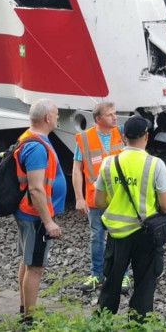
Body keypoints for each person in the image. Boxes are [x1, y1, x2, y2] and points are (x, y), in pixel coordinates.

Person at [94, 115, 166, 318]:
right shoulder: (155, 164)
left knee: (112, 281)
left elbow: (99, 202)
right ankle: (138, 323)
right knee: (145, 283)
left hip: (116, 234)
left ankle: (103, 323)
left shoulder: (108, 163)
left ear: (123, 137)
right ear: (146, 137)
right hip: (145, 233)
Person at [14, 99, 67, 327]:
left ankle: (24, 308)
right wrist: (48, 222)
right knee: (35, 268)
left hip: (27, 212)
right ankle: (29, 320)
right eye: (55, 114)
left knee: (27, 263)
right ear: (47, 118)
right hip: (35, 216)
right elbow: (36, 188)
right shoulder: (36, 147)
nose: (57, 118)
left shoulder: (30, 137)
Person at [72, 102, 131, 294]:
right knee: (97, 237)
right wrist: (79, 198)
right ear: (98, 119)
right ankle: (97, 274)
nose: (115, 117)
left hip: (120, 198)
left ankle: (124, 275)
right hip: (96, 199)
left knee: (122, 236)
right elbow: (77, 170)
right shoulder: (85, 139)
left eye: (115, 114)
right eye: (110, 115)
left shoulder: (121, 133)